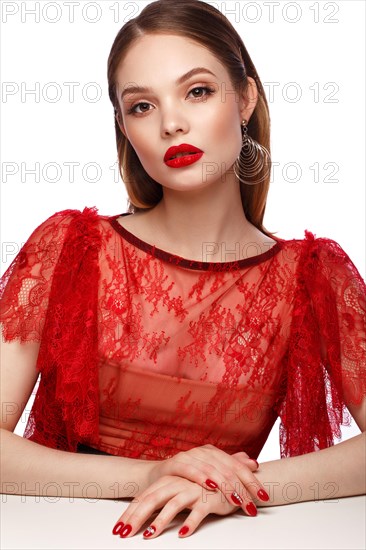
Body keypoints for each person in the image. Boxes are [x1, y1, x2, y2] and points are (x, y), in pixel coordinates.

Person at [1, 0, 365, 541]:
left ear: (245, 99)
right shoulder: (70, 247)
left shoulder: (313, 276)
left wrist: (231, 486)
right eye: (142, 106)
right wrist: (149, 476)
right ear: (124, 127)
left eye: (197, 91)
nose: (171, 122)